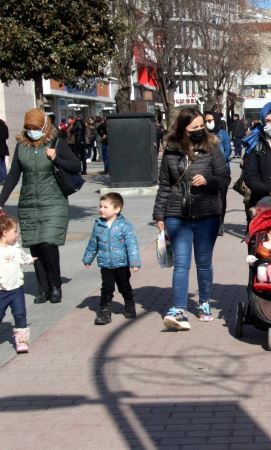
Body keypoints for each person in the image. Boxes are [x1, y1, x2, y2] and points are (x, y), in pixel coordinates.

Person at [153, 108, 231, 331]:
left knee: (204, 263)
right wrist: (159, 215)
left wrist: (207, 180)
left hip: (207, 214)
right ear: (182, 129)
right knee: (181, 264)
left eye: (201, 126)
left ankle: (204, 302)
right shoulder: (170, 152)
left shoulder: (212, 146)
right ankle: (179, 309)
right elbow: (165, 186)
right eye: (194, 127)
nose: (199, 130)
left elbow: (224, 177)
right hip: (177, 215)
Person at [0, 108, 81, 304]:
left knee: (48, 244)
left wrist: (56, 157)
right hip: (29, 203)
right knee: (35, 246)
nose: (31, 131)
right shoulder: (22, 146)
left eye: (35, 127)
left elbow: (76, 165)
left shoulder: (55, 142)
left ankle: (55, 285)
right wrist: (0, 201)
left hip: (53, 201)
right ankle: (42, 288)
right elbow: (13, 176)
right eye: (28, 127)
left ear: (44, 126)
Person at [82, 193, 141, 325]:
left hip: (122, 264)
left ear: (117, 209)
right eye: (100, 206)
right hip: (106, 264)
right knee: (107, 288)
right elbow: (93, 244)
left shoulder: (125, 226)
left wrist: (134, 262)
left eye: (105, 207)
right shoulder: (98, 225)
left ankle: (129, 304)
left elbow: (132, 245)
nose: (101, 209)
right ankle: (104, 312)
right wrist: (88, 258)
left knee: (124, 286)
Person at [0, 216, 35, 354]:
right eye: (15, 231)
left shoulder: (15, 248)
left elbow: (23, 256)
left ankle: (21, 340)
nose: (17, 234)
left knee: (20, 314)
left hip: (16, 290)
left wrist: (30, 259)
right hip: (1, 291)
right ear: (4, 233)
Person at [204, 111, 232, 236]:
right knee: (209, 199)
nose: (208, 123)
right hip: (207, 172)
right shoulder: (203, 135)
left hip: (222, 172)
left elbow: (228, 150)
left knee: (221, 199)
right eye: (206, 121)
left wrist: (218, 162)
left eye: (210, 120)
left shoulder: (223, 134)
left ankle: (220, 222)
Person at [0, 118, 9, 182]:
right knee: (2, 163)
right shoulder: (5, 127)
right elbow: (6, 136)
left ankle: (2, 178)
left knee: (1, 163)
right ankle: (4, 177)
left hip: (0, 148)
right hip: (3, 148)